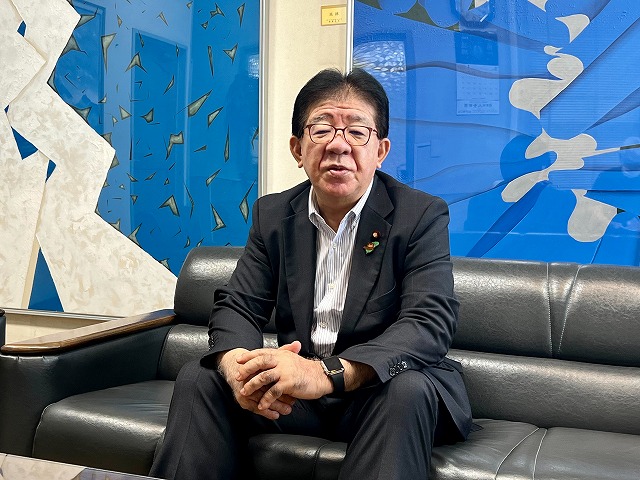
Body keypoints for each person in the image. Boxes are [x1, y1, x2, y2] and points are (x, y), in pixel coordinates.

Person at [150, 68, 472, 480]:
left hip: (376, 391)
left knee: (406, 388)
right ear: (297, 149)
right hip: (299, 395)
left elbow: (428, 322)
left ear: (380, 151)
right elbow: (239, 306)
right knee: (202, 376)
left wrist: (326, 374)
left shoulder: (420, 215)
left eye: (357, 132)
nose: (339, 145)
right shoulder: (273, 214)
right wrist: (238, 367)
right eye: (321, 130)